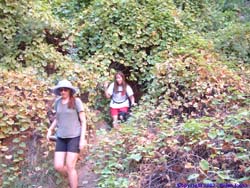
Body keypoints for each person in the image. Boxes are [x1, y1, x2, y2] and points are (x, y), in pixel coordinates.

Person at [46, 79, 87, 188]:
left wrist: (82, 139)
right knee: (58, 166)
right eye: (61, 90)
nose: (63, 92)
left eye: (65, 90)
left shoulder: (76, 102)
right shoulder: (58, 102)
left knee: (70, 165)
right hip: (61, 137)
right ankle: (71, 175)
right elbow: (57, 118)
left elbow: (83, 121)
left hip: (74, 137)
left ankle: (74, 182)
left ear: (69, 90)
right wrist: (50, 129)